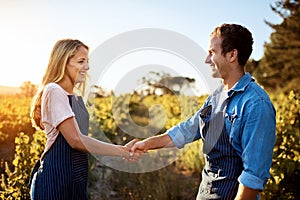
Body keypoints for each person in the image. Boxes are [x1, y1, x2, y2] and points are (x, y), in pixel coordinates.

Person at [129, 23, 276, 200]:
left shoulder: (256, 104)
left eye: (212, 52)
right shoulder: (215, 97)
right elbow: (186, 130)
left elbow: (253, 177)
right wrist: (147, 144)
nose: (207, 60)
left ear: (232, 55)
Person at [28, 39, 139, 200]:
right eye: (81, 61)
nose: (87, 67)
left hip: (76, 178)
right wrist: (122, 151)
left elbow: (80, 138)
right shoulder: (54, 90)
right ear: (63, 63)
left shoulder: (75, 97)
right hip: (56, 180)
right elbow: (76, 140)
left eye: (87, 61)